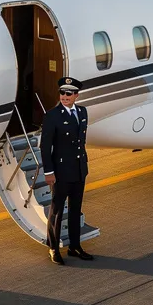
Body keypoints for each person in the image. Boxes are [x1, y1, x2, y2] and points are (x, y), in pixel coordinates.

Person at [40, 76, 93, 264]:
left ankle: (75, 246)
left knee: (75, 209)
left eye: (69, 93)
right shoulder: (52, 116)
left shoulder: (83, 112)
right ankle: (53, 248)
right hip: (61, 171)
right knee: (56, 212)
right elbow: (45, 147)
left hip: (79, 169)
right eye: (62, 93)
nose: (64, 96)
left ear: (76, 95)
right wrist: (48, 172)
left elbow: (81, 142)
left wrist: (83, 166)